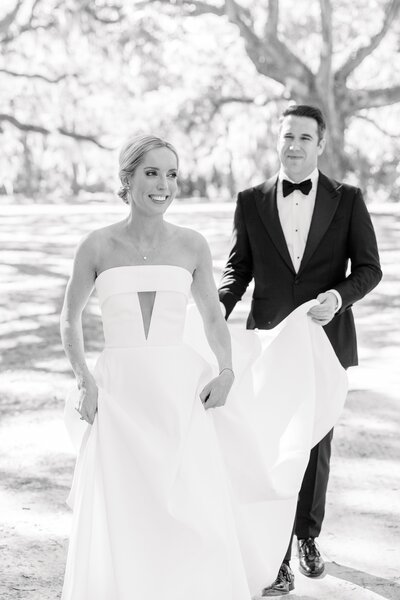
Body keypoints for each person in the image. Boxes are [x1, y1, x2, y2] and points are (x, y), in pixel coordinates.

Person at [60, 133, 347, 600]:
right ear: (127, 178)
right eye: (151, 173)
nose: (163, 185)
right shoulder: (96, 246)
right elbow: (69, 320)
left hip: (180, 394)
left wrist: (228, 371)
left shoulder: (191, 246)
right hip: (117, 396)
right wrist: (83, 380)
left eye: (171, 174)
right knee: (124, 506)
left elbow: (213, 317)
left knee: (193, 508)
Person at [218, 104, 382, 595]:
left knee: (313, 444)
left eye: (304, 138)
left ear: (321, 144)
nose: (293, 145)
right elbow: (236, 270)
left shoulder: (348, 199)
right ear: (278, 139)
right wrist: (212, 312)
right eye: (286, 136)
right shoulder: (250, 200)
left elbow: (369, 269)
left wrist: (338, 297)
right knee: (268, 446)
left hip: (323, 342)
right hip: (268, 341)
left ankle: (307, 537)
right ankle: (276, 557)